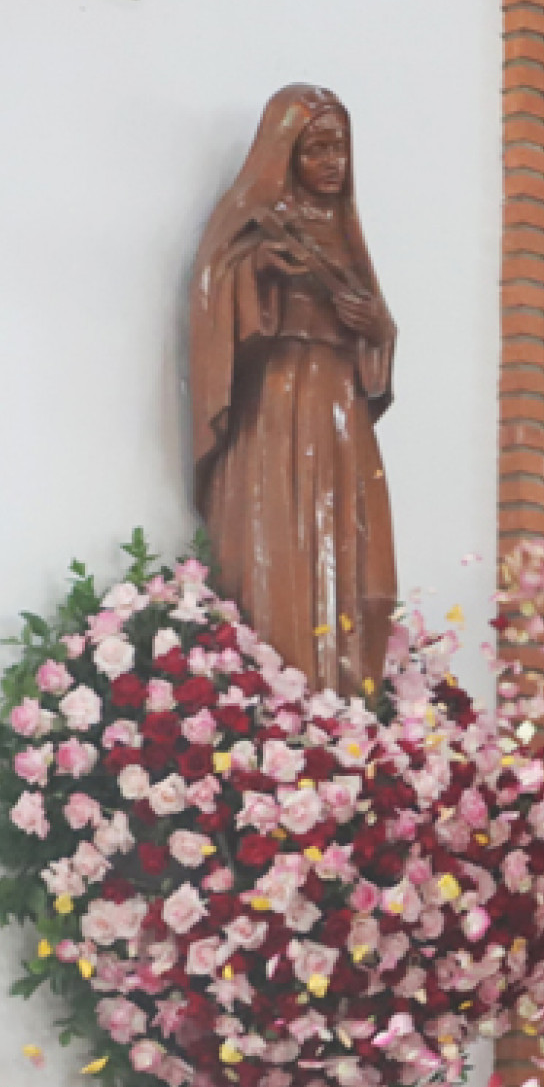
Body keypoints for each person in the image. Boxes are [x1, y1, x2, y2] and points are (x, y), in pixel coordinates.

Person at [189, 84, 401, 696]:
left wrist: (376, 328)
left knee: (366, 570)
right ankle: (291, 690)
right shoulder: (256, 221)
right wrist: (258, 272)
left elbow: (378, 332)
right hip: (280, 401)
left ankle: (345, 696)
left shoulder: (344, 232)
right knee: (286, 542)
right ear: (285, 154)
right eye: (316, 149)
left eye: (340, 148)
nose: (332, 163)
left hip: (341, 404)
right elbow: (211, 292)